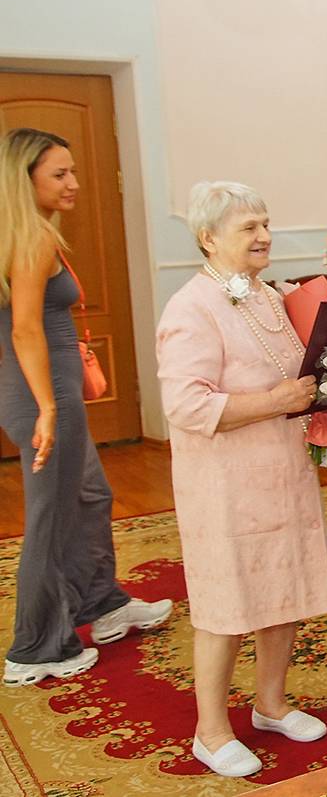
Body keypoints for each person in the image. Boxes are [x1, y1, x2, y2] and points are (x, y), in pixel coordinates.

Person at [156, 181, 327, 777]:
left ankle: (271, 704)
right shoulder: (191, 307)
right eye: (248, 228)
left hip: (281, 472)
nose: (264, 236)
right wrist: (274, 401)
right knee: (226, 603)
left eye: (265, 224)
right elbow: (185, 405)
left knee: (283, 588)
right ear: (208, 239)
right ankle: (210, 733)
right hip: (225, 484)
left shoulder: (268, 296)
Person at [0, 128, 171, 688]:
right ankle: (36, 649)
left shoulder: (27, 232)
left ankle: (102, 603)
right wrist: (48, 408)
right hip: (45, 397)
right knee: (51, 519)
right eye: (59, 174)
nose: (73, 182)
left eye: (72, 170)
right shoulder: (31, 238)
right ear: (24, 179)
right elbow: (24, 329)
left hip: (48, 393)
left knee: (91, 496)